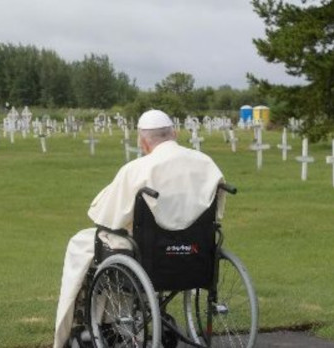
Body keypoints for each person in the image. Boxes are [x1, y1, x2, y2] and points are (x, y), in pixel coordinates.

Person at [53, 109, 226, 348]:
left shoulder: (138, 169)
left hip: (152, 254)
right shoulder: (206, 163)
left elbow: (106, 216)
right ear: (173, 133)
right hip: (196, 252)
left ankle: (88, 323)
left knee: (84, 244)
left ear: (143, 142)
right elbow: (216, 212)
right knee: (118, 248)